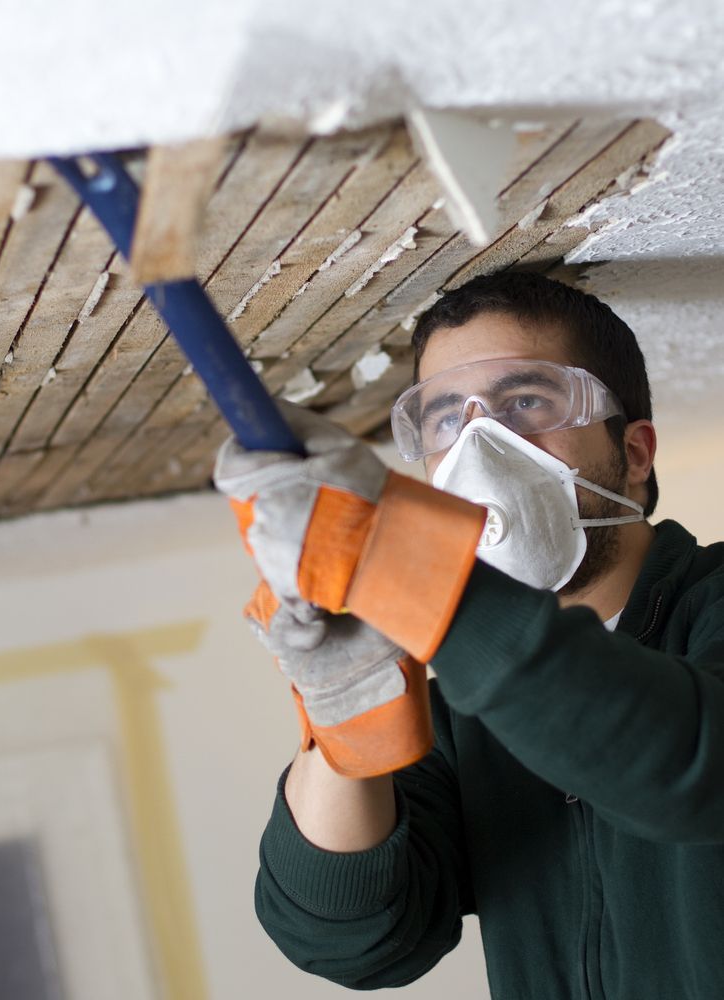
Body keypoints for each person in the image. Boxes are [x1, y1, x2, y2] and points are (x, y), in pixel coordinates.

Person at [214, 271, 724, 999]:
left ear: (636, 455)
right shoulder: (456, 712)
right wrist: (344, 711)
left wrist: (414, 575)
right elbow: (348, 938)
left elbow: (692, 772)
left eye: (526, 403)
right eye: (447, 420)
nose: (480, 449)